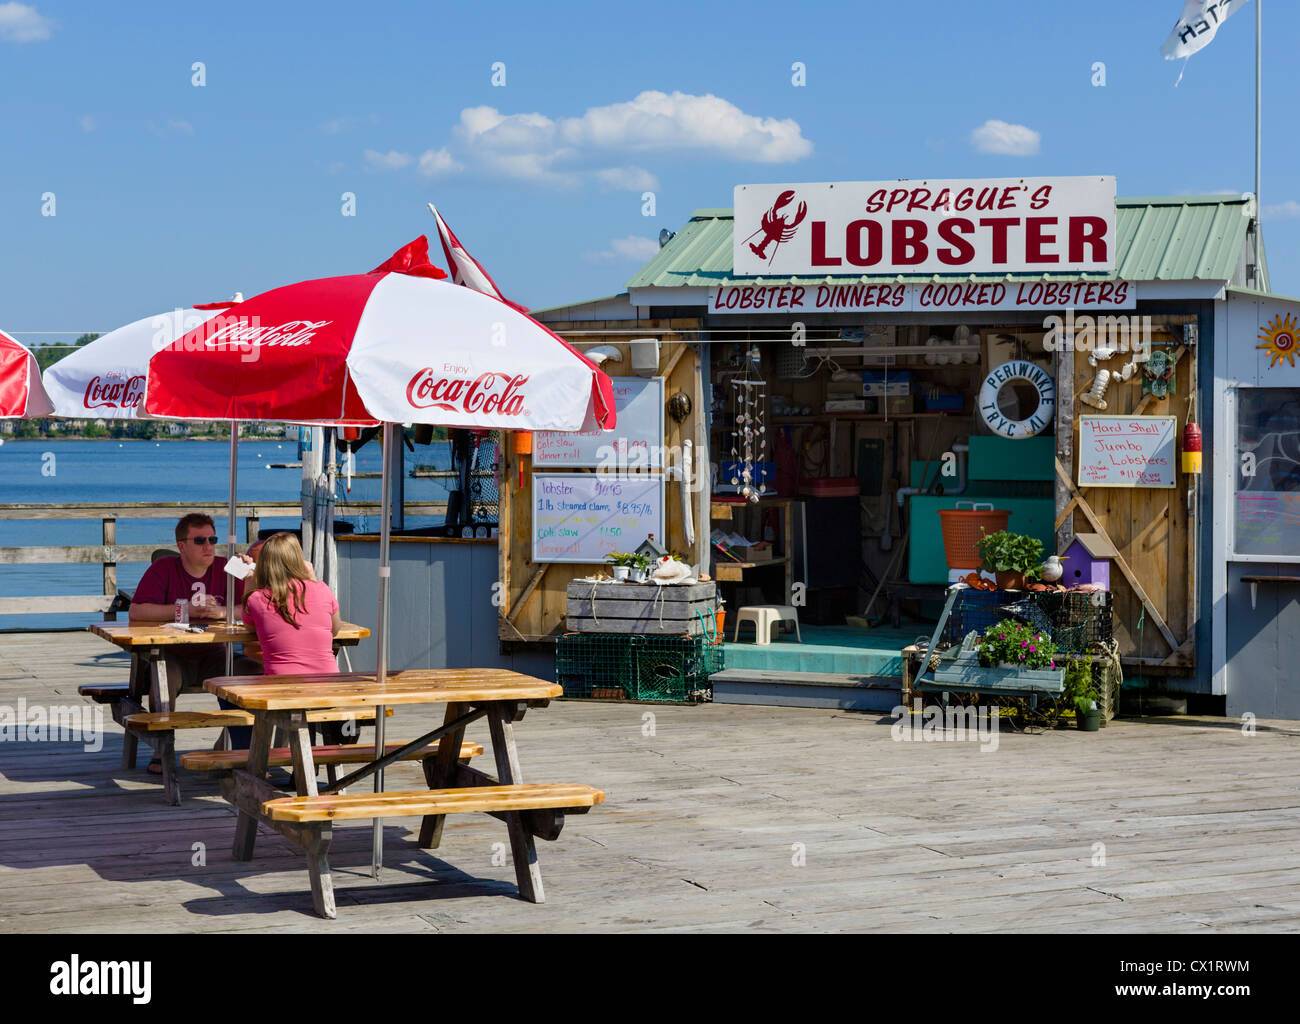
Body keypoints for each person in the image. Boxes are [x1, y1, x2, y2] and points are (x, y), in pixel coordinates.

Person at [130, 513, 254, 774]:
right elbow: (137, 611)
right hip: (172, 654)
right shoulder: (163, 568)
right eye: (200, 540)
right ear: (181, 546)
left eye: (212, 539)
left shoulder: (229, 566)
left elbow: (258, 604)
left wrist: (222, 611)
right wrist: (185, 609)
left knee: (255, 676)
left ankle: (242, 746)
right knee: (161, 679)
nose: (208, 546)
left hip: (215, 653)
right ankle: (161, 749)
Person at [240, 532, 353, 750]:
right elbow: (335, 629)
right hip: (328, 685)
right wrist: (311, 580)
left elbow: (248, 626)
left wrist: (249, 581)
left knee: (233, 691)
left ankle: (247, 755)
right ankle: (305, 761)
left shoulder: (257, 598)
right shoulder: (322, 589)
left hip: (282, 688)